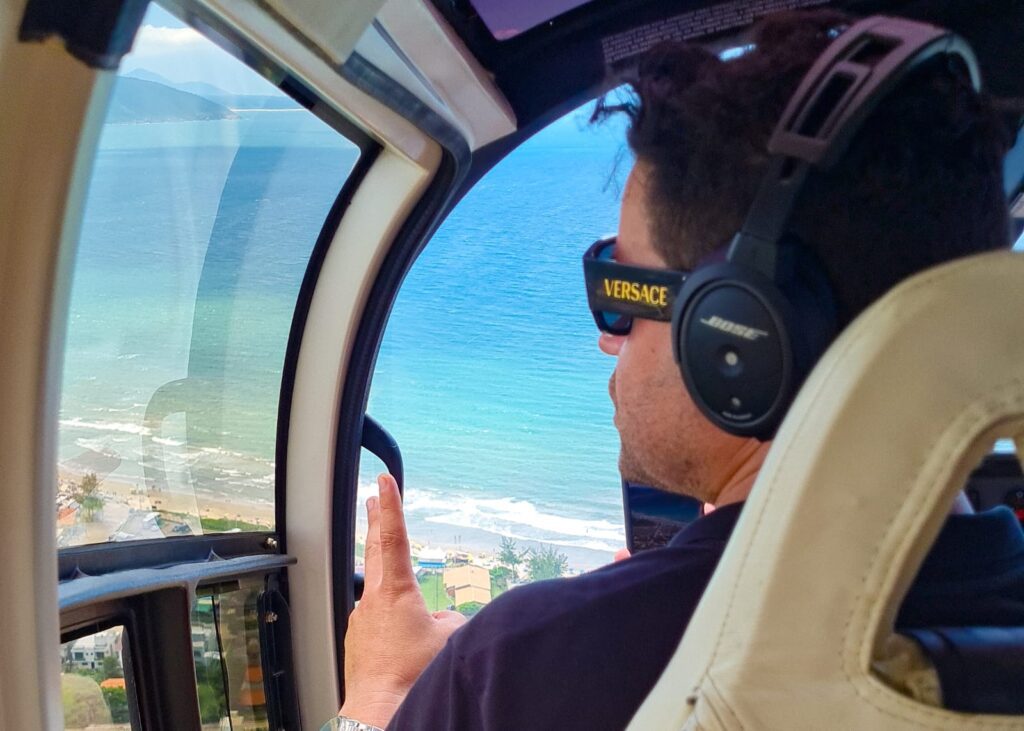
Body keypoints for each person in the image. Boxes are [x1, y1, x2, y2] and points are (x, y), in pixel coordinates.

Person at [332, 9, 1024, 731]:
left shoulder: (525, 667)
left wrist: (378, 699)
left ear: (742, 338)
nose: (608, 341)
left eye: (617, 291)